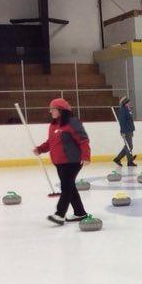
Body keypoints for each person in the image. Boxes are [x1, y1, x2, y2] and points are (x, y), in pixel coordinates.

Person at [33, 97, 91, 226]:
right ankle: (80, 213)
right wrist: (40, 149)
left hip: (72, 161)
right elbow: (50, 143)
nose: (50, 112)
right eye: (50, 109)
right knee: (70, 187)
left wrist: (86, 156)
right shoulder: (53, 125)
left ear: (61, 110)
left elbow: (83, 140)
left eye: (53, 109)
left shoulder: (72, 122)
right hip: (59, 162)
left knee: (66, 187)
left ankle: (60, 214)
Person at [113, 96, 137, 167]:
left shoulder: (127, 109)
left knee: (128, 146)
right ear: (125, 103)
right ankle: (129, 161)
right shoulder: (123, 110)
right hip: (126, 131)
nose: (129, 103)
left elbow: (130, 120)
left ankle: (119, 159)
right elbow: (122, 122)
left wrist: (132, 130)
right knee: (129, 146)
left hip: (129, 130)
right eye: (128, 102)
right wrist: (122, 132)